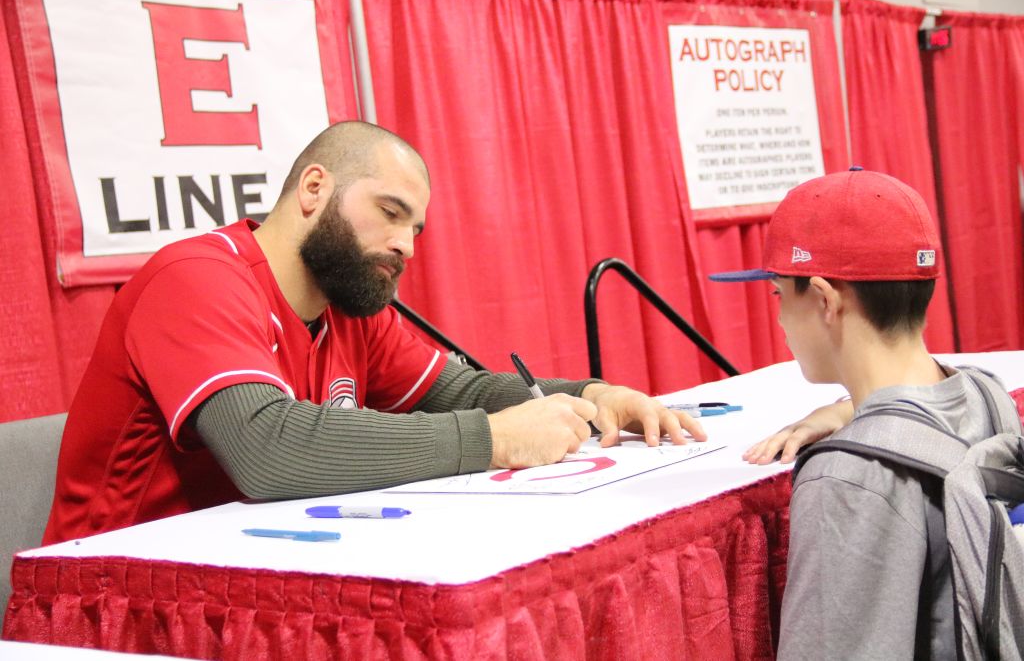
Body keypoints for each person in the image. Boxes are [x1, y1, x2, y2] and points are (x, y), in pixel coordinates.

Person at [43, 121, 705, 545]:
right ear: (313, 189)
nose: (405, 245)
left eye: (415, 229)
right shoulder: (195, 279)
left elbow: (458, 389)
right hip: (114, 597)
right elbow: (268, 449)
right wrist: (495, 440)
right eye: (390, 213)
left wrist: (593, 395)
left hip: (251, 573)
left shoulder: (348, 304)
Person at [709, 167, 1021, 658]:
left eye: (778, 294)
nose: (778, 318)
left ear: (823, 299)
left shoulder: (848, 477)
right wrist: (850, 411)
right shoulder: (990, 396)